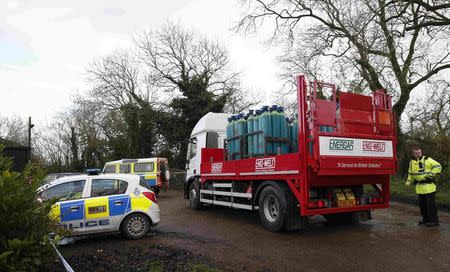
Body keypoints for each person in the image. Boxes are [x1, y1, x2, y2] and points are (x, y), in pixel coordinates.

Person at [405, 147, 442, 227]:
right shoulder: (411, 162)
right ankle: (425, 219)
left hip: (429, 187)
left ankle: (434, 221)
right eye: (417, 153)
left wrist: (431, 176)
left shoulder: (427, 159)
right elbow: (410, 174)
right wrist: (408, 181)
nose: (419, 154)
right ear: (413, 154)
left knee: (430, 206)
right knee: (422, 206)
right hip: (419, 188)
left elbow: (438, 166)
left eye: (420, 153)